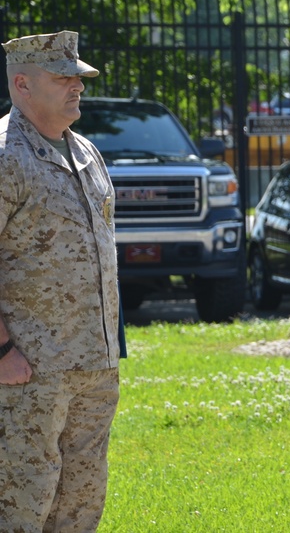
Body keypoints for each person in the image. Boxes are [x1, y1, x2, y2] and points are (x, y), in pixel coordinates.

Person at [0, 31, 121, 532]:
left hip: (93, 365)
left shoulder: (86, 151)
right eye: (63, 77)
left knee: (80, 506)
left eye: (79, 77)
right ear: (22, 83)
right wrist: (2, 350)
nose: (77, 86)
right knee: (22, 504)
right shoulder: (7, 157)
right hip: (29, 370)